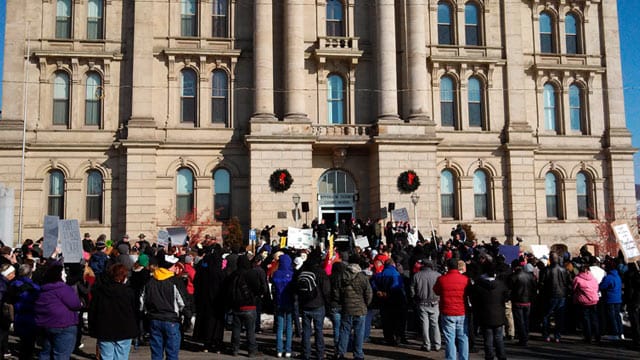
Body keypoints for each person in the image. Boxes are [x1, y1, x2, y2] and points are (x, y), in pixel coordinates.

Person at [88, 264, 139, 359]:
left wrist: (92, 328)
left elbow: (92, 311)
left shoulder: (100, 292)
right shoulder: (128, 292)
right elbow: (135, 311)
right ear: (123, 277)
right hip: (125, 330)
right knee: (122, 356)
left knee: (106, 356)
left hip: (105, 330)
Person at [141, 255, 185, 360]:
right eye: (174, 265)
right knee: (172, 355)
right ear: (168, 267)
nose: (175, 267)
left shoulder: (149, 281)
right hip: (171, 320)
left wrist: (145, 314)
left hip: (154, 319)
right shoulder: (175, 282)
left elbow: (142, 301)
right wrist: (186, 316)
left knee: (156, 354)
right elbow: (182, 303)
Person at [35, 262, 83, 360]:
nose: (65, 275)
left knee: (46, 352)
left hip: (46, 324)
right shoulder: (62, 289)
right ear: (58, 275)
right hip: (63, 325)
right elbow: (75, 304)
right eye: (63, 273)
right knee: (61, 355)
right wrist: (80, 304)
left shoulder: (43, 289)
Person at [226, 255, 265, 357]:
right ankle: (251, 350)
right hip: (249, 305)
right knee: (250, 330)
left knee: (236, 329)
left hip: (236, 305)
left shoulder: (233, 274)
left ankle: (234, 349)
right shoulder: (251, 274)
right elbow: (258, 288)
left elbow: (228, 290)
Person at [335, 255, 372, 360]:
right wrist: (366, 304)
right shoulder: (362, 277)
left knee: (344, 331)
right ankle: (358, 354)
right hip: (360, 308)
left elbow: (337, 292)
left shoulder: (342, 276)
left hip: (346, 308)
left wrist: (342, 302)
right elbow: (369, 293)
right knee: (359, 332)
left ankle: (340, 353)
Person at [470, 260, 510, 360]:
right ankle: (501, 356)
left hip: (485, 315)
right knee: (499, 338)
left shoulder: (478, 285)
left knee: (488, 338)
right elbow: (506, 297)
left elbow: (474, 300)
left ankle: (489, 356)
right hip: (498, 314)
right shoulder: (501, 285)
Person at [434, 257, 470, 360]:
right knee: (463, 337)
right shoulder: (465, 279)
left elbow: (436, 291)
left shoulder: (442, 279)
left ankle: (451, 358)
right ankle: (464, 358)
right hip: (461, 311)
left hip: (447, 311)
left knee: (450, 338)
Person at [296, 253, 330, 360]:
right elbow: (326, 290)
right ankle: (320, 354)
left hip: (305, 304)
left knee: (306, 331)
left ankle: (305, 353)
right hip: (318, 304)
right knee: (318, 330)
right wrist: (327, 302)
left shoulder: (303, 271)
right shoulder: (321, 272)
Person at [192, 247, 226, 353]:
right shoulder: (220, 273)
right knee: (217, 325)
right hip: (217, 302)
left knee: (206, 323)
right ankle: (216, 344)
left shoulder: (202, 272)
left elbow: (196, 284)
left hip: (204, 302)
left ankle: (206, 344)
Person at [8, 264, 41, 360]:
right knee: (29, 345)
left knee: (23, 343)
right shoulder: (35, 288)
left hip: (18, 316)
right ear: (30, 274)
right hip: (31, 318)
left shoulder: (13, 285)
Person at [372, 258, 407, 346]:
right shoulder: (395, 273)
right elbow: (396, 285)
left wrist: (378, 291)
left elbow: (373, 282)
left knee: (386, 320)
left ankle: (388, 338)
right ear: (393, 264)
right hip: (395, 299)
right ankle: (398, 337)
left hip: (384, 300)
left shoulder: (380, 274)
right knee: (397, 319)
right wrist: (389, 293)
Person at [410, 259, 441, 352]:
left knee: (424, 324)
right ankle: (437, 344)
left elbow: (411, 289)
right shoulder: (438, 275)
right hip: (435, 302)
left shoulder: (416, 275)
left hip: (421, 302)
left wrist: (414, 298)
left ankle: (427, 344)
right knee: (435, 324)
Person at [539, 252, 571, 342]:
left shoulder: (546, 270)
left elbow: (541, 284)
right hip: (561, 295)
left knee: (546, 316)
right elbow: (568, 282)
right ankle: (557, 336)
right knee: (559, 316)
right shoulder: (564, 270)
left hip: (550, 295)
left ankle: (547, 335)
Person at [508, 259, 537, 346]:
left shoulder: (513, 276)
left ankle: (523, 339)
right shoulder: (530, 275)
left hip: (518, 301)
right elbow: (534, 287)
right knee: (526, 319)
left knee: (520, 321)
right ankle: (525, 336)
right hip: (528, 301)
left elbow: (509, 289)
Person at [271, 254, 295, 358]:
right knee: (289, 327)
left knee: (280, 327)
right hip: (289, 302)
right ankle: (288, 350)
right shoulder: (292, 274)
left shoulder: (276, 274)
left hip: (279, 302)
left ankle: (279, 350)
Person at [572, 262, 600, 344]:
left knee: (586, 320)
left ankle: (588, 337)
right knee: (594, 319)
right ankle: (597, 337)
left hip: (584, 301)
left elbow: (574, 288)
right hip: (594, 300)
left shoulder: (577, 278)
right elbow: (596, 287)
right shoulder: (593, 278)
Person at [600, 259, 623, 340]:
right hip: (618, 298)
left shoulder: (609, 277)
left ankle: (615, 332)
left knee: (612, 317)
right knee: (617, 316)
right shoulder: (618, 276)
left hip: (610, 299)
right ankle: (620, 332)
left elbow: (602, 286)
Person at [0, 263, 15, 359]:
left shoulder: (4, 283)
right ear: (8, 274)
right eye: (13, 273)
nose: (14, 275)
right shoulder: (3, 285)